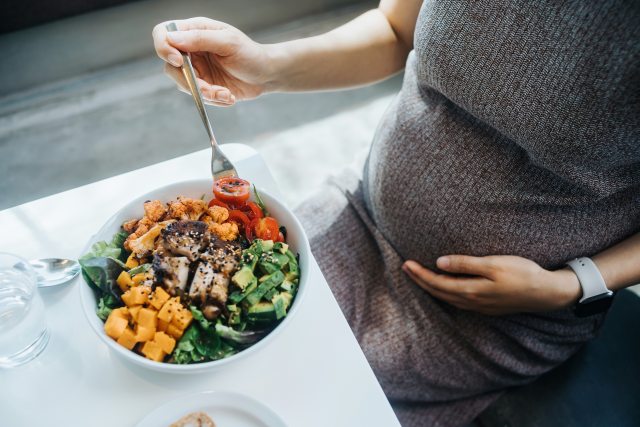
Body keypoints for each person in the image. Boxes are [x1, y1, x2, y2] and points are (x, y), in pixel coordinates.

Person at [153, 1, 640, 425]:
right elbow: (395, 30)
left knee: (290, 402)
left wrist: (574, 284)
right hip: (362, 210)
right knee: (190, 367)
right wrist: (266, 65)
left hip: (493, 315)